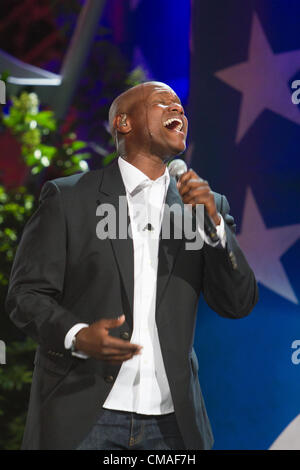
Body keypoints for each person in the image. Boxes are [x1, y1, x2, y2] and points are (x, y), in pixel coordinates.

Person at [5, 81, 259, 450]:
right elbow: (25, 295)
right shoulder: (69, 198)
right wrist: (76, 334)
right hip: (84, 415)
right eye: (162, 102)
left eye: (180, 106)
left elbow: (238, 303)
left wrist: (216, 229)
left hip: (172, 427)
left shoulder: (206, 206)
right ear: (123, 123)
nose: (178, 110)